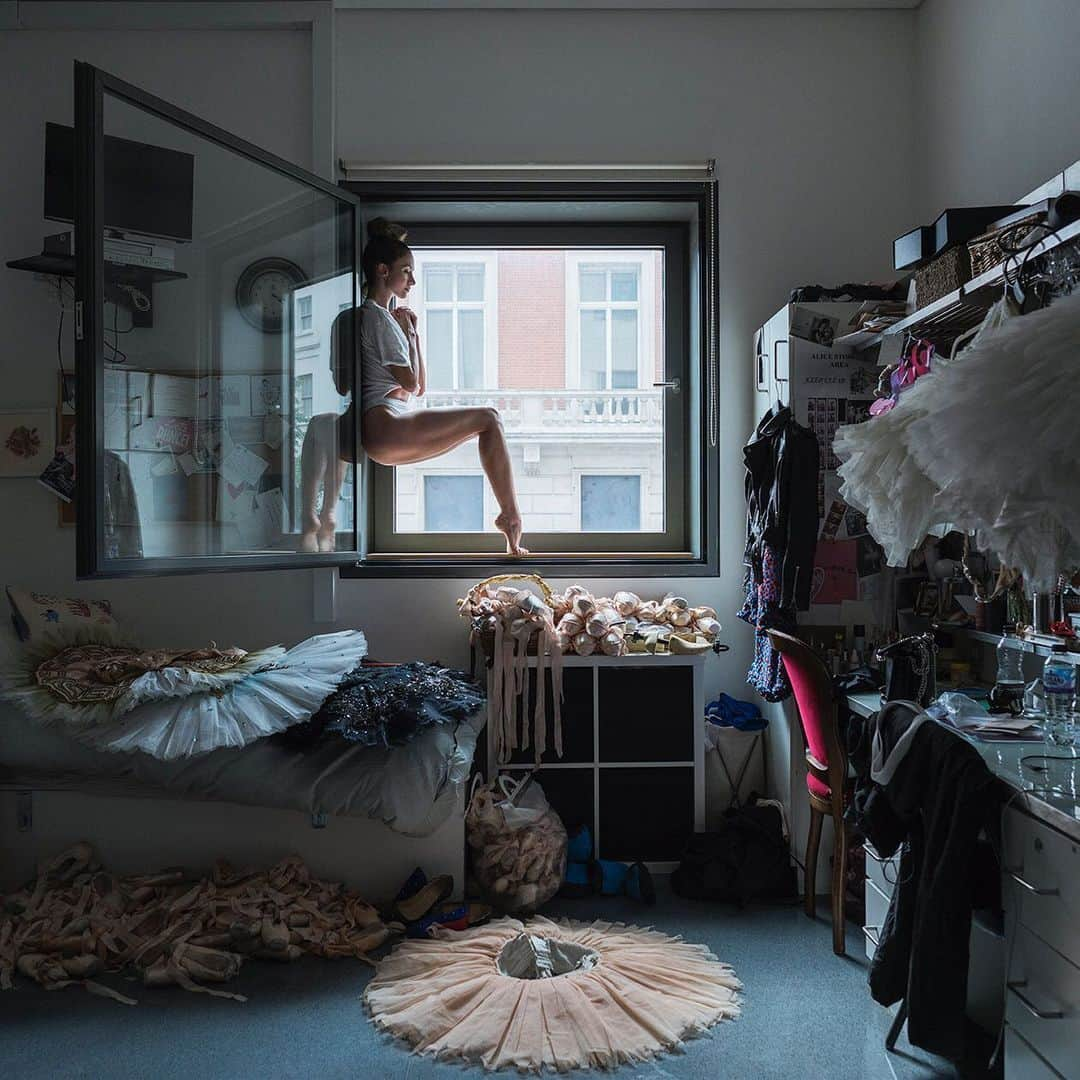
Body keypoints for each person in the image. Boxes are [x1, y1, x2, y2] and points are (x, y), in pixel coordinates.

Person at [298, 217, 526, 555]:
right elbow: (414, 383)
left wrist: (408, 337)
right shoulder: (380, 319)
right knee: (489, 418)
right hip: (386, 425)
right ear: (382, 271)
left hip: (370, 428)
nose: (413, 280)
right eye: (406, 271)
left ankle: (317, 518)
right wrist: (410, 333)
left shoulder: (364, 319)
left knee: (319, 425)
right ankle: (510, 519)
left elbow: (355, 385)